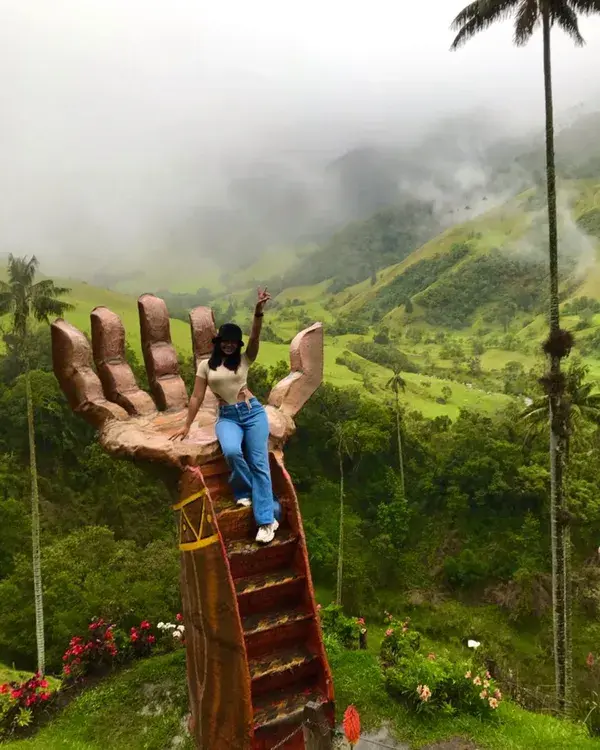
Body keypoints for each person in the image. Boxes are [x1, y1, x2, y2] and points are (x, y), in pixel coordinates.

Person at [171, 288, 280, 544]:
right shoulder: (205, 366)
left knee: (260, 463)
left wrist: (258, 313)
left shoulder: (244, 359)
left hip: (252, 414)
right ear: (219, 342)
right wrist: (186, 426)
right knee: (231, 451)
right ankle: (244, 489)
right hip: (228, 417)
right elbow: (197, 397)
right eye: (226, 341)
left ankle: (265, 522)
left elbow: (255, 339)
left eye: (234, 341)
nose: (230, 345)